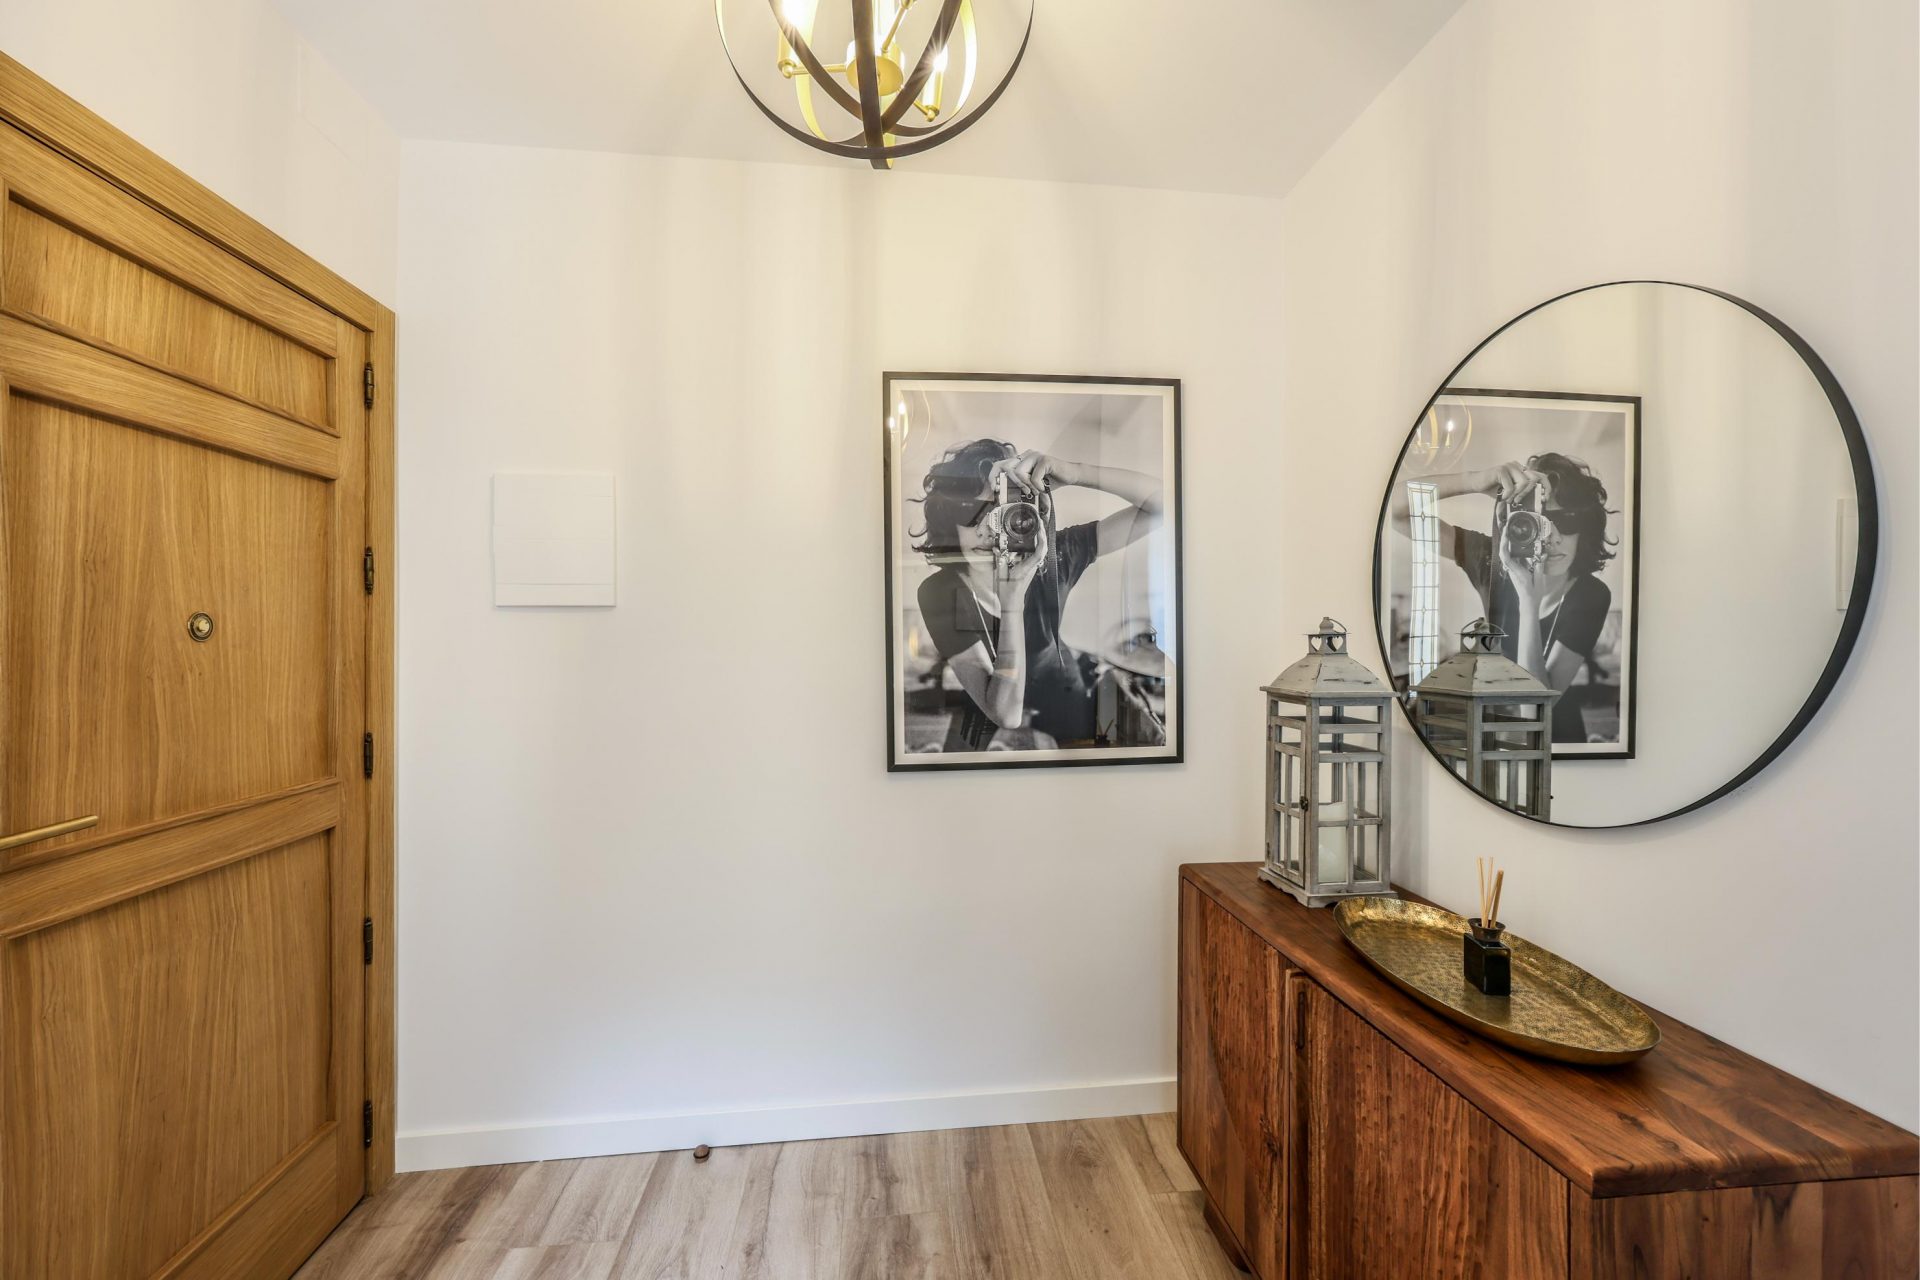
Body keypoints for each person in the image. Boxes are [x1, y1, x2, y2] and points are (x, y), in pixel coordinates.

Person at [911, 439, 1163, 750]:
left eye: (998, 511)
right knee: (957, 768)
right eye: (969, 511)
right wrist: (1011, 605)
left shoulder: (1055, 557)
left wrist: (1075, 472)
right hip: (994, 702)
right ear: (948, 518)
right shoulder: (940, 592)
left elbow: (1164, 505)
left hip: (1071, 700)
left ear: (1026, 513)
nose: (985, 530)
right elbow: (1005, 712)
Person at [1399, 452, 1617, 743]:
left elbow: (1534, 710)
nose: (1553, 538)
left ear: (1586, 526)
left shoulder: (1591, 594)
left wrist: (1528, 600)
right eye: (1542, 521)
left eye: (1567, 521)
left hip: (1558, 743)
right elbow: (1395, 512)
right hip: (1493, 736)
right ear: (1514, 522)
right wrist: (1475, 481)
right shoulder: (1490, 561)